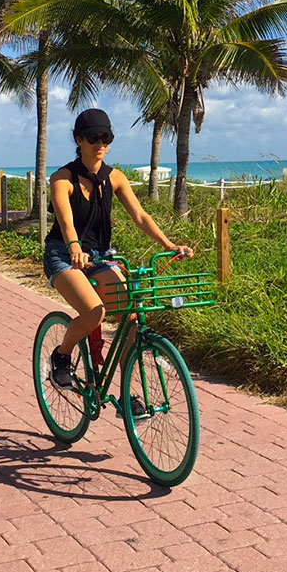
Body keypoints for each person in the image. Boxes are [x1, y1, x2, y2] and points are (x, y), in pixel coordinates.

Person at [43, 108, 191, 401]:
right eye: (93, 137)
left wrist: (168, 244)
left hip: (99, 256)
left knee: (131, 319)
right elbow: (65, 219)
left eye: (106, 137)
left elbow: (140, 216)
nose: (100, 143)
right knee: (94, 312)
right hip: (64, 255)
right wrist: (74, 246)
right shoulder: (62, 178)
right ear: (78, 139)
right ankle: (61, 356)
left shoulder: (115, 177)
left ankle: (126, 393)